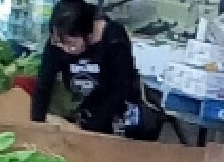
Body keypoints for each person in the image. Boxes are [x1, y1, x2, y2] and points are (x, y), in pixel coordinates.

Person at [31, 0, 151, 137]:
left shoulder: (113, 39)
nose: (64, 49)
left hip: (118, 111)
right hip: (86, 108)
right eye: (58, 43)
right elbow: (43, 86)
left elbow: (120, 89)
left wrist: (92, 125)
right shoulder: (60, 40)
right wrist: (37, 125)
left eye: (70, 44)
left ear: (87, 33)